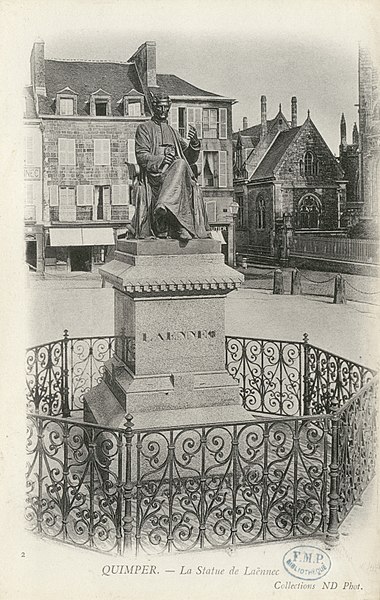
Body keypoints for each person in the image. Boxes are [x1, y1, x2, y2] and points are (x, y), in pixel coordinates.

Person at [130, 92, 211, 241]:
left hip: (174, 172)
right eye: (159, 107)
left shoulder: (173, 132)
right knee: (180, 168)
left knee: (180, 163)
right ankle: (181, 226)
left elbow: (189, 159)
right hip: (155, 175)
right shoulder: (144, 128)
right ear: (154, 108)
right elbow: (141, 156)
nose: (163, 111)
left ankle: (164, 206)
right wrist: (161, 159)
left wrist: (194, 143)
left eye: (166, 108)